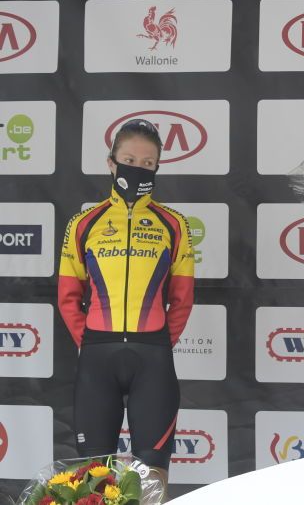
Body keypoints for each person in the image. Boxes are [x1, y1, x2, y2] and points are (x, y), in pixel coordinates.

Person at [58, 118, 195, 495]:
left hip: (152, 358)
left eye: (148, 163)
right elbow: (68, 295)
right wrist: (88, 341)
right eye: (130, 159)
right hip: (97, 358)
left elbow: (182, 298)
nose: (138, 167)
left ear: (157, 167)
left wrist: (159, 340)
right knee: (91, 477)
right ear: (112, 162)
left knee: (152, 477)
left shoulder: (174, 225)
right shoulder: (84, 223)